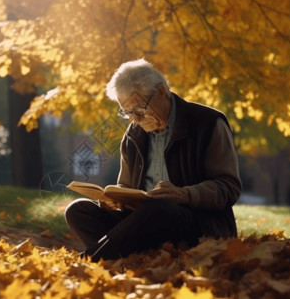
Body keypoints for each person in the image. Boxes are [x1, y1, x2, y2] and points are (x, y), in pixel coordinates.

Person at [64, 58, 242, 262]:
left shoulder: (208, 123)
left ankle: (94, 259)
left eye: (138, 110)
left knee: (158, 210)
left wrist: (185, 194)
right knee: (78, 211)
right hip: (143, 223)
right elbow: (126, 186)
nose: (135, 119)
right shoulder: (133, 135)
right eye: (127, 113)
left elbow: (229, 187)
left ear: (161, 92)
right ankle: (129, 258)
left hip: (198, 224)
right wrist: (116, 199)